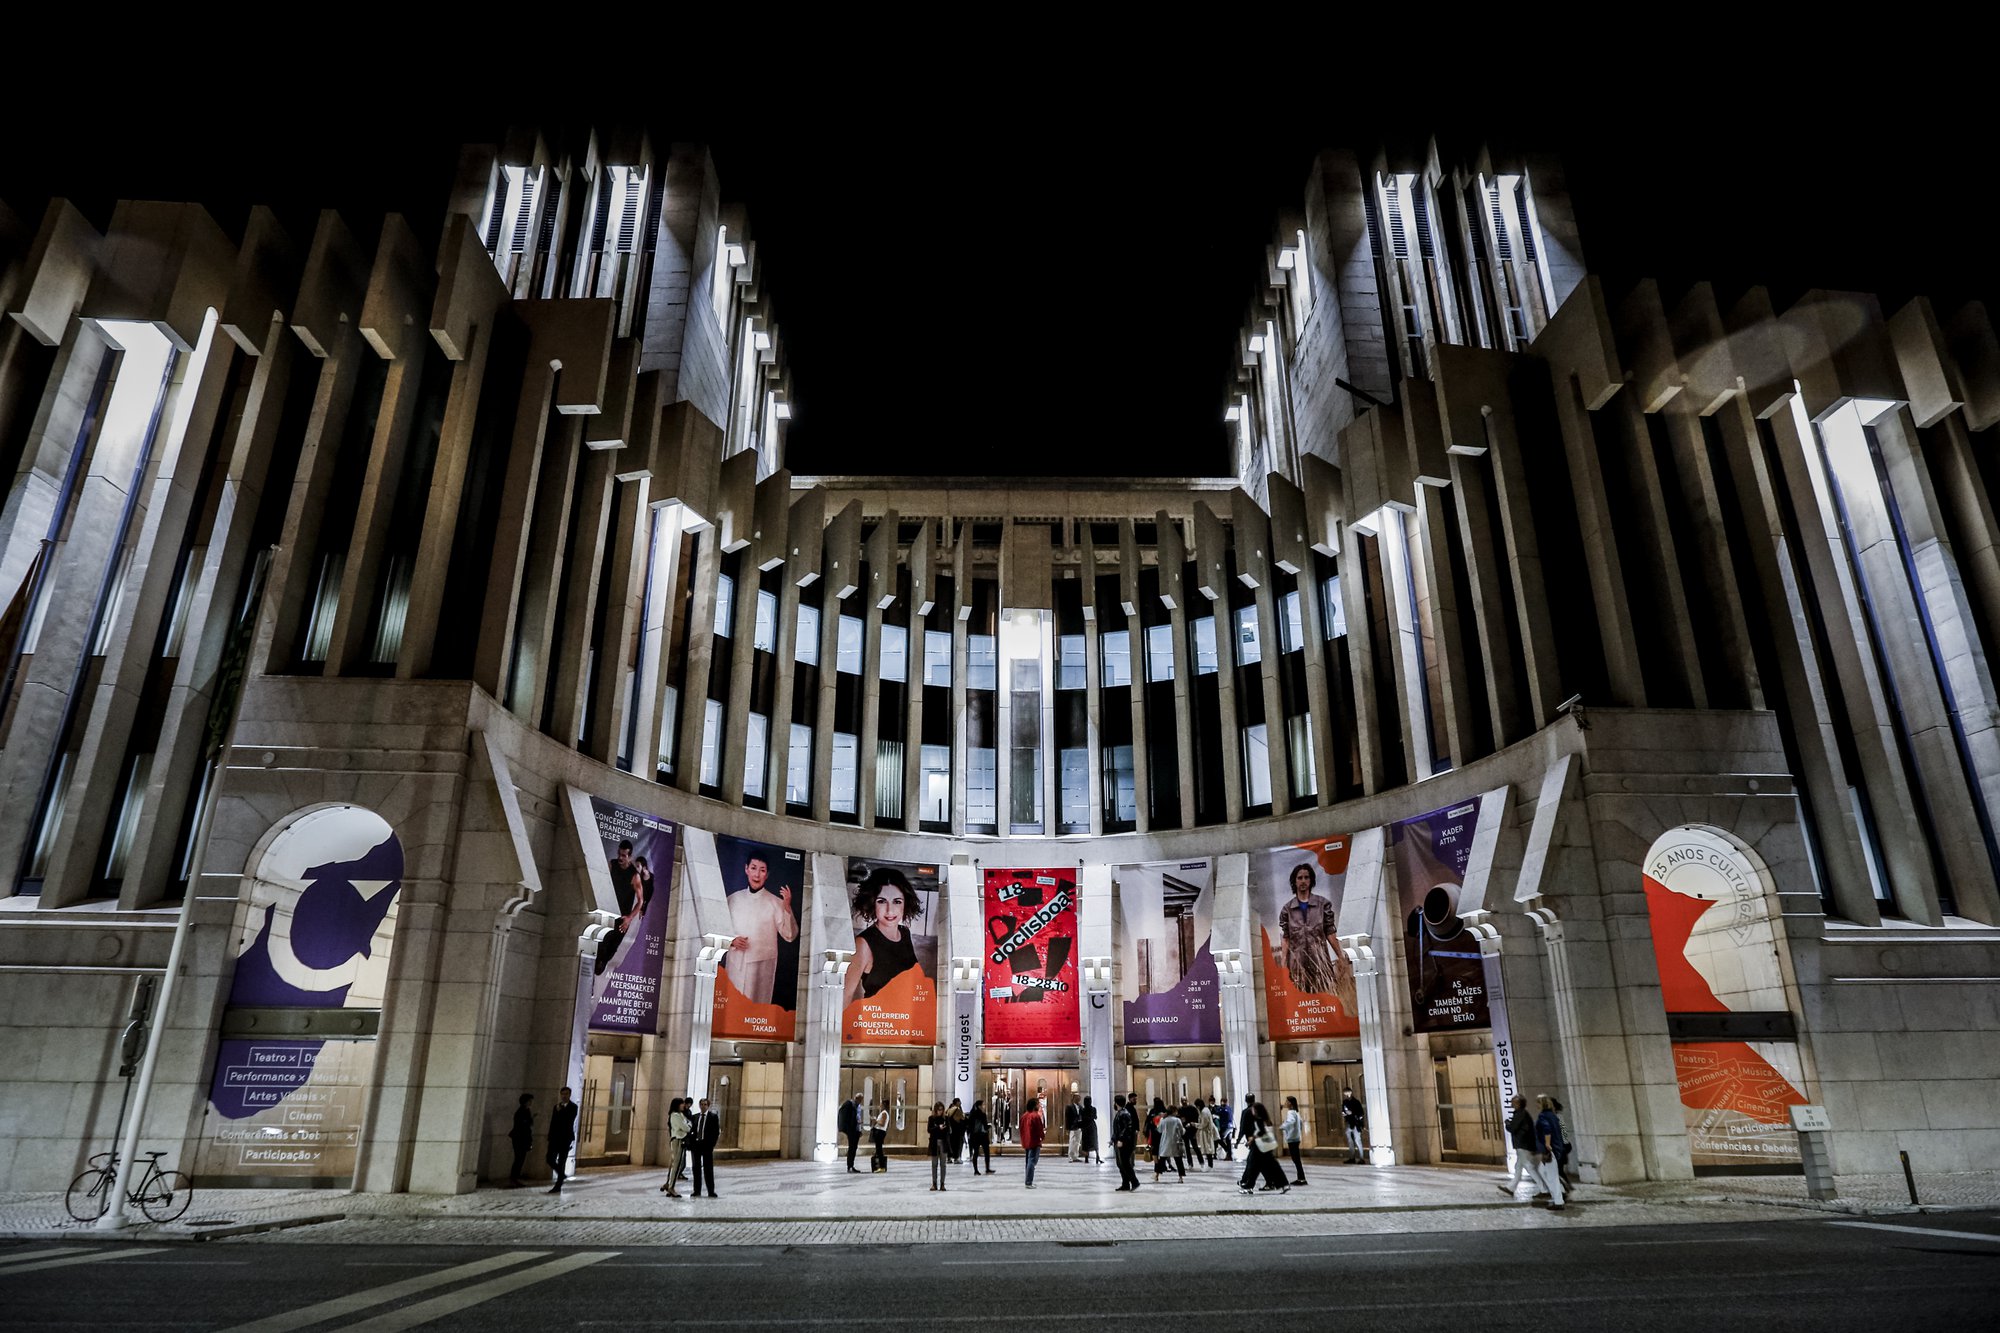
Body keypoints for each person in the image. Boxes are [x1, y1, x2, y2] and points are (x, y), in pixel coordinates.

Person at [1277, 861, 1356, 1012]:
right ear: (1294, 881)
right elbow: (1286, 937)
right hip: (1297, 964)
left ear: (1311, 880)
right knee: (1300, 999)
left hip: (1320, 961)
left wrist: (1340, 955)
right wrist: (1283, 961)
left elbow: (1330, 932)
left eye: (1306, 877)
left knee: (1325, 996)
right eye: (1299, 878)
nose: (1303, 881)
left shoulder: (1322, 904)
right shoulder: (1287, 909)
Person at [725, 852, 797, 1005]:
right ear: (746, 869)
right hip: (735, 964)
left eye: (762, 870)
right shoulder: (733, 899)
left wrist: (787, 906)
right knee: (731, 1006)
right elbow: (720, 928)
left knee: (755, 1008)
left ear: (767, 874)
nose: (757, 874)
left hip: (761, 966)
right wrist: (731, 940)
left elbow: (789, 935)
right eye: (753, 868)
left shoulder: (775, 902)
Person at [845, 867, 925, 1004]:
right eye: (881, 901)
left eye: (897, 901)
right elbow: (845, 996)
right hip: (878, 1021)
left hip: (907, 1019)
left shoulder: (905, 933)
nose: (890, 910)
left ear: (905, 903)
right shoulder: (863, 943)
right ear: (871, 903)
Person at [594, 840, 647, 976]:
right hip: (608, 912)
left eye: (623, 855)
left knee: (612, 947)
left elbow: (640, 901)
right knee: (601, 942)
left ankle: (602, 963)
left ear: (630, 857)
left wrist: (629, 918)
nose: (620, 858)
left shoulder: (634, 875)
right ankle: (597, 963)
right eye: (619, 854)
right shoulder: (612, 865)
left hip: (623, 918)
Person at [1238, 1098, 1289, 1194]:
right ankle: (1283, 1184)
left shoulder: (1259, 1120)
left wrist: (1252, 1139)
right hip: (1264, 1147)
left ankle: (1249, 1186)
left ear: (1256, 1111)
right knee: (1266, 1166)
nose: (1251, 1111)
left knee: (1255, 1167)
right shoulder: (1263, 1119)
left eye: (1253, 1109)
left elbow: (1261, 1131)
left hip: (1260, 1147)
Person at [1500, 1094, 1539, 1196]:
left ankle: (1544, 1188)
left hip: (1523, 1144)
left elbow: (1513, 1128)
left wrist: (1508, 1123)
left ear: (1518, 1103)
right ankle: (1511, 1187)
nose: (1511, 1103)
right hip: (1523, 1144)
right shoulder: (1521, 1114)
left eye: (1513, 1101)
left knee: (1528, 1166)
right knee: (1518, 1166)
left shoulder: (1520, 1114)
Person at [1535, 1094, 1568, 1210]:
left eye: (1538, 1103)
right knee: (1543, 1171)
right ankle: (1558, 1194)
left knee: (1551, 1175)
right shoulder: (1553, 1115)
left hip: (1550, 1149)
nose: (1536, 1105)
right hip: (1555, 1148)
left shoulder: (1543, 1116)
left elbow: (1547, 1130)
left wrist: (1547, 1145)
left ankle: (1558, 1200)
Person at [546, 1086, 578, 1193]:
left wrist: (561, 1111)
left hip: (565, 1138)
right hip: (555, 1138)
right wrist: (550, 1136)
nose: (564, 1096)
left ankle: (558, 1185)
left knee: (562, 1161)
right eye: (562, 1094)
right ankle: (562, 1174)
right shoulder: (556, 1107)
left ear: (569, 1095)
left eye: (566, 1094)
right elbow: (553, 1122)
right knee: (549, 1159)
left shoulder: (573, 1107)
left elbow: (569, 1120)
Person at [689, 1096, 721, 1198]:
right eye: (701, 1104)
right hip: (696, 1146)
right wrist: (691, 1143)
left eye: (705, 1105)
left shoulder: (713, 1117)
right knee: (696, 1169)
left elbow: (716, 1132)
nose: (703, 1106)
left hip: (707, 1146)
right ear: (699, 1105)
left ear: (708, 1106)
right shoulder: (695, 1117)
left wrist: (712, 1144)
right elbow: (691, 1131)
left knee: (708, 1169)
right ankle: (696, 1190)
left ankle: (710, 1191)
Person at [1110, 1095, 1142, 1191]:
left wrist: (1121, 1139)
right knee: (1120, 1164)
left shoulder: (1124, 1114)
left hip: (1125, 1143)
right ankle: (1125, 1184)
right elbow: (1117, 1129)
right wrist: (1113, 1139)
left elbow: (1127, 1128)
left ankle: (1134, 1182)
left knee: (1125, 1163)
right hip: (1119, 1141)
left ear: (1116, 1103)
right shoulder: (1120, 1113)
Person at [661, 1097, 689, 1197]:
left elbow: (688, 1124)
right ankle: (671, 1187)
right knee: (676, 1164)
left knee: (675, 1164)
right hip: (677, 1140)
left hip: (680, 1140)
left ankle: (669, 1184)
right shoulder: (675, 1115)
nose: (683, 1105)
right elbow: (686, 1127)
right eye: (682, 1104)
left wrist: (687, 1126)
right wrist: (688, 1127)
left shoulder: (681, 1115)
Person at [1154, 1105, 1187, 1181]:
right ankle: (1180, 1177)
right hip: (1175, 1141)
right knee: (1178, 1160)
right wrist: (1184, 1130)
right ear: (1174, 1111)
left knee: (1162, 1159)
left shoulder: (1163, 1120)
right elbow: (1182, 1131)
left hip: (1165, 1142)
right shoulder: (1177, 1120)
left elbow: (1159, 1130)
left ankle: (1157, 1175)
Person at [509, 1093, 534, 1186]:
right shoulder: (522, 1111)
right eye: (530, 1101)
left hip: (521, 1138)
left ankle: (515, 1178)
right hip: (520, 1138)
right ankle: (514, 1178)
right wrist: (530, 1121)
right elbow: (523, 1126)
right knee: (519, 1159)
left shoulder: (526, 1111)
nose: (531, 1103)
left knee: (520, 1159)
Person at [1020, 1096, 1046, 1188]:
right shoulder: (1035, 1116)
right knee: (1032, 1161)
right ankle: (1028, 1182)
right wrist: (1042, 1137)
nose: (1039, 1105)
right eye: (1038, 1104)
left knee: (1028, 1161)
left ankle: (1027, 1180)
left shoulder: (1024, 1116)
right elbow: (1039, 1129)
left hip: (1026, 1141)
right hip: (1034, 1141)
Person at [1282, 1095, 1308, 1185]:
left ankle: (1301, 1178)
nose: (1285, 1103)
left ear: (1290, 1103)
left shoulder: (1290, 1113)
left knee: (1296, 1159)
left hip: (1292, 1139)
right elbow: (1300, 1123)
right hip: (1296, 1138)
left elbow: (1290, 1122)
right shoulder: (1296, 1112)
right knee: (1297, 1159)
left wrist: (1283, 1127)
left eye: (1286, 1101)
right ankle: (1301, 1177)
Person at [927, 1101, 951, 1191]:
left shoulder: (946, 1118)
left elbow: (948, 1129)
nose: (940, 1112)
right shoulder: (931, 1118)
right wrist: (938, 1128)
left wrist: (943, 1128)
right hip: (934, 1142)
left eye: (941, 1110)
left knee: (943, 1164)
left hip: (943, 1142)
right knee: (934, 1164)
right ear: (935, 1110)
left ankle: (942, 1184)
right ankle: (934, 1183)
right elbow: (929, 1130)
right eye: (938, 1110)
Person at [1341, 1087, 1367, 1164]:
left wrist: (1352, 1113)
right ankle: (1352, 1157)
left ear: (1350, 1092)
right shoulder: (1345, 1102)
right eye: (1345, 1093)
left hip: (1356, 1123)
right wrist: (1345, 1113)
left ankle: (1361, 1158)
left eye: (1347, 1092)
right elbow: (1343, 1111)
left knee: (1357, 1140)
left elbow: (1361, 1113)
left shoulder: (1356, 1102)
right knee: (1350, 1141)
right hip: (1349, 1122)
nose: (1346, 1094)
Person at [839, 1092, 864, 1173]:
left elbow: (858, 1117)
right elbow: (844, 1116)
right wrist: (847, 1128)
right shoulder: (849, 1104)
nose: (860, 1101)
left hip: (856, 1130)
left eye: (861, 1100)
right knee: (851, 1148)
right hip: (851, 1130)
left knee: (854, 1148)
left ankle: (851, 1165)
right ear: (856, 1098)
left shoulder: (858, 1106)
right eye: (859, 1099)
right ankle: (849, 1166)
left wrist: (860, 1129)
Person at [968, 1099, 992, 1174]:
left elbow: (970, 1126)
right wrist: (989, 1126)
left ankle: (976, 1170)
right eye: (983, 1105)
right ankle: (987, 1168)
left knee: (976, 1153)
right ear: (979, 1106)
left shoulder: (972, 1114)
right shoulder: (982, 1114)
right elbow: (985, 1126)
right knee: (986, 1153)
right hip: (982, 1135)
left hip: (974, 1136)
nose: (984, 1106)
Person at [1195, 1099, 1218, 1168]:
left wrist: (1195, 1125)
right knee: (1208, 1148)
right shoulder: (1205, 1110)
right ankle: (1210, 1165)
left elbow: (1203, 1124)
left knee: (1208, 1149)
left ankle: (1210, 1165)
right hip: (1206, 1132)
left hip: (1206, 1132)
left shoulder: (1204, 1112)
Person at [870, 1100, 890, 1172]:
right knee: (878, 1149)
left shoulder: (884, 1113)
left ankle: (882, 1166)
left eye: (881, 1104)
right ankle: (880, 1166)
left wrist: (876, 1120)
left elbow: (882, 1123)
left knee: (879, 1149)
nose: (880, 1105)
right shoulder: (882, 1113)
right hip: (879, 1131)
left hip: (880, 1132)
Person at [1081, 1095, 1101, 1164]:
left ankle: (1086, 1157)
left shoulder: (1083, 1110)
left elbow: (1082, 1118)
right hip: (1092, 1126)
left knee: (1086, 1142)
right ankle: (1097, 1156)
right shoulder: (1093, 1109)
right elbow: (1095, 1117)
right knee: (1094, 1141)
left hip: (1085, 1127)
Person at [947, 1097, 967, 1164]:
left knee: (951, 1143)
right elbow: (962, 1118)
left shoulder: (949, 1109)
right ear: (957, 1102)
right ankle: (956, 1158)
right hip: (957, 1129)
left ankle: (949, 1158)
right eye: (959, 1102)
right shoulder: (957, 1109)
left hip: (951, 1129)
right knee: (957, 1144)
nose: (960, 1103)